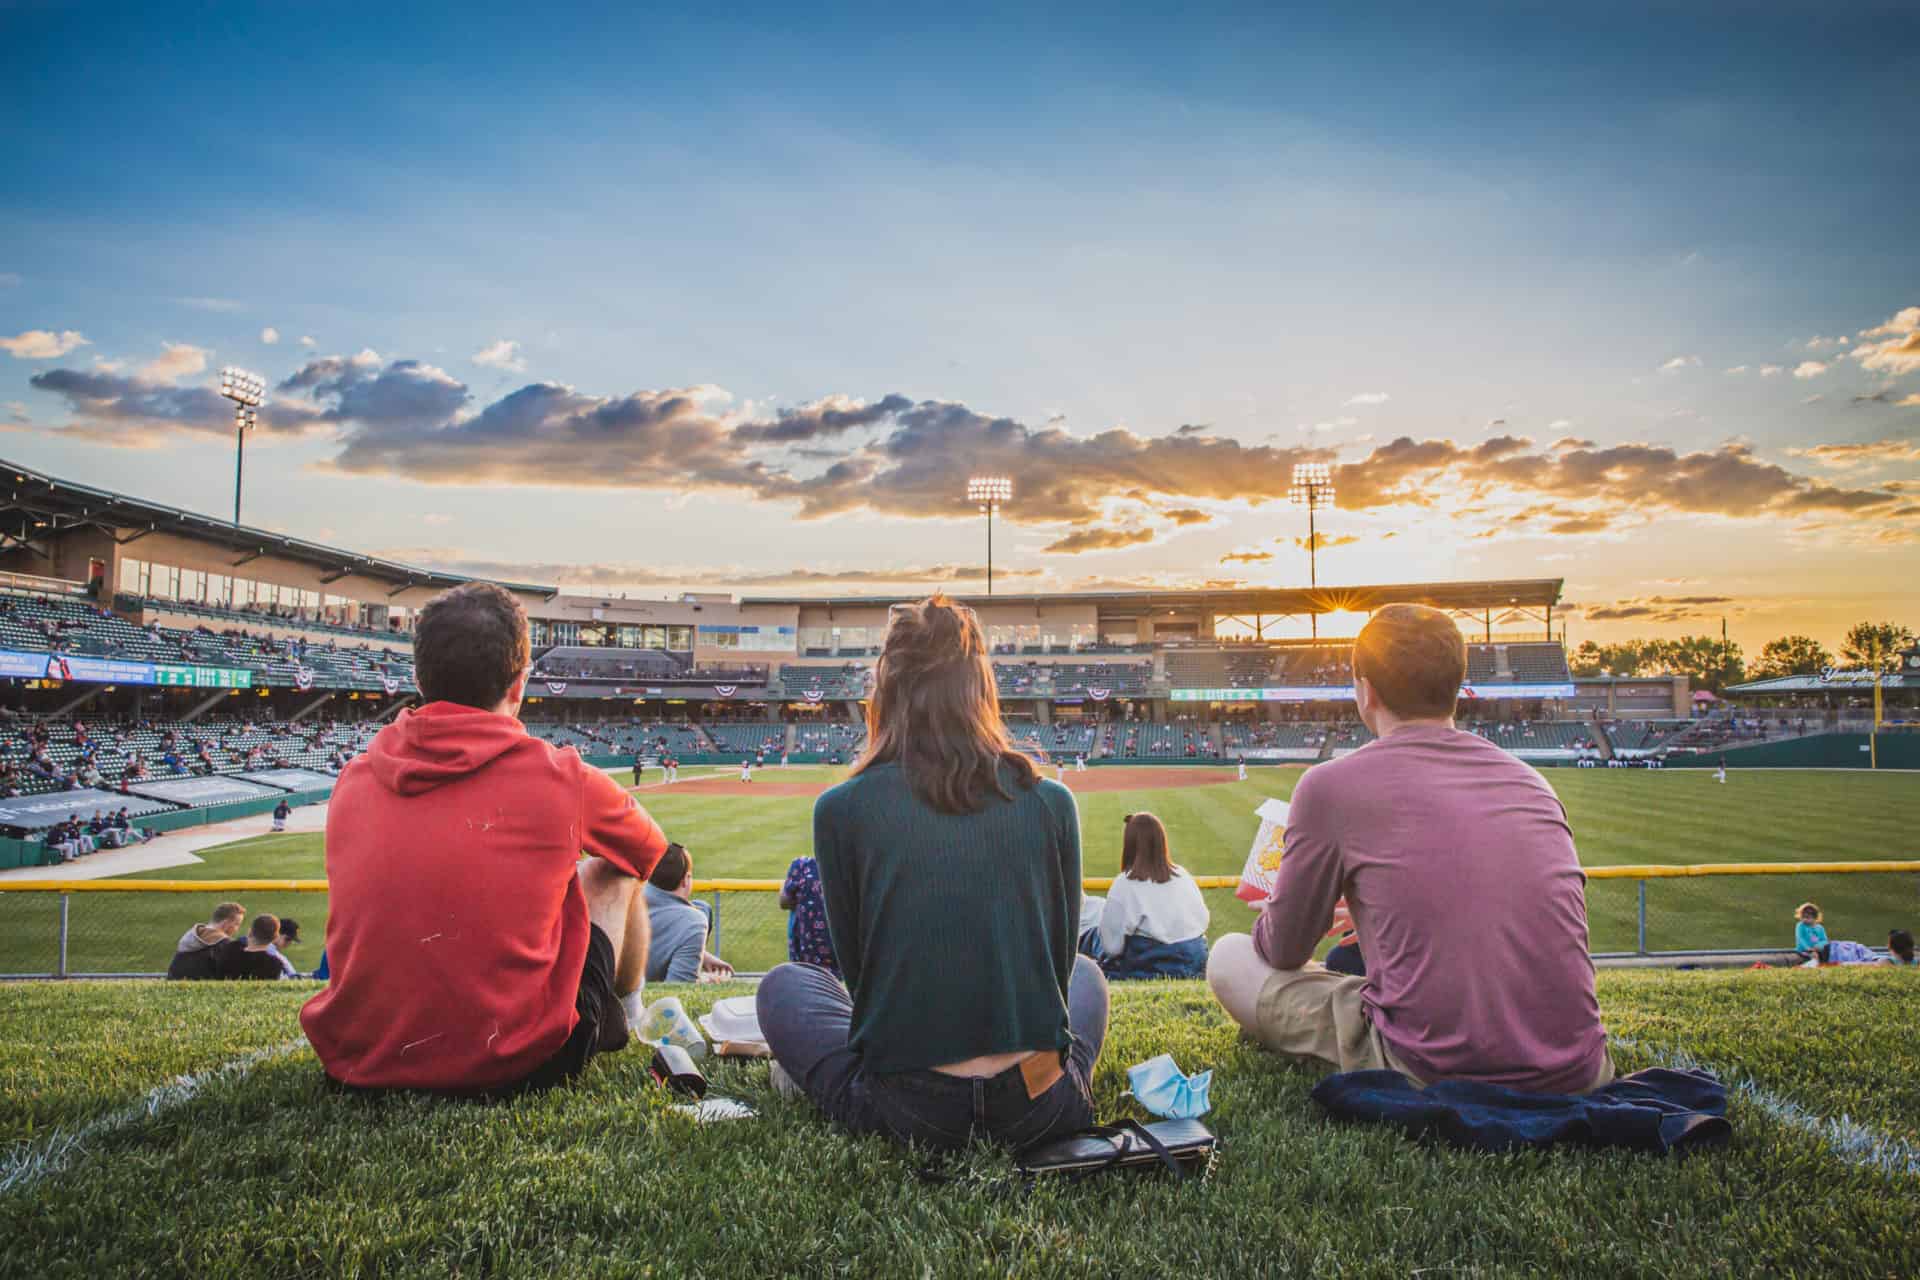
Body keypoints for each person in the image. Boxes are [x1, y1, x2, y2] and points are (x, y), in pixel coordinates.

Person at [1207, 603, 1612, 1095]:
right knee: (1352, 963)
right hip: (1581, 1069)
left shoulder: (1329, 785)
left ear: (1366, 690)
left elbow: (1283, 950)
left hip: (1430, 1064)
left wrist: (1276, 909)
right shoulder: (1533, 783)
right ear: (1457, 686)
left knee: (1228, 956)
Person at [757, 594, 1106, 1151]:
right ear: (980, 688)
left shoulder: (840, 810)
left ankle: (821, 1081)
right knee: (1088, 976)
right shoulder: (1052, 802)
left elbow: (860, 976)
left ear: (887, 689)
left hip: (907, 1110)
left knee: (784, 986)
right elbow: (1059, 968)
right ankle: (1065, 1082)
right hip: (1039, 1106)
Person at [300, 582, 671, 1097]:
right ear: (519, 685)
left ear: (419, 678)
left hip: (358, 1065)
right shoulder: (562, 775)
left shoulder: (354, 778)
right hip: (517, 1066)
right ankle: (624, 1014)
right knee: (609, 869)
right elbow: (650, 853)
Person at [1083, 812, 1210, 979]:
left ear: (1129, 844)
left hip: (1150, 965)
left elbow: (1112, 948)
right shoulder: (1183, 874)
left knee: (1094, 938)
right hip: (1195, 958)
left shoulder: (1125, 883)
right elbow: (1203, 919)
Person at [642, 842, 734, 983]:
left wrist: (702, 955)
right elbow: (676, 991)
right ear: (686, 880)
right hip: (637, 997)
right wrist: (705, 981)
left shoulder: (631, 891)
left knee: (701, 906)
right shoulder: (693, 922)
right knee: (701, 910)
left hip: (607, 988)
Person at [780, 852, 839, 976]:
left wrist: (786, 885)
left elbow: (784, 902)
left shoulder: (803, 865)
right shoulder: (852, 867)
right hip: (844, 955)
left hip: (807, 956)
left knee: (795, 908)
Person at [168, 902, 246, 980]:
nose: (237, 929)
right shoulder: (225, 945)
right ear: (226, 924)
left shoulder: (189, 938)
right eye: (237, 924)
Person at [218, 913, 297, 980]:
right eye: (287, 939)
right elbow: (292, 977)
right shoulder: (275, 963)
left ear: (250, 932)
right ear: (275, 936)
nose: (288, 943)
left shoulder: (230, 952)